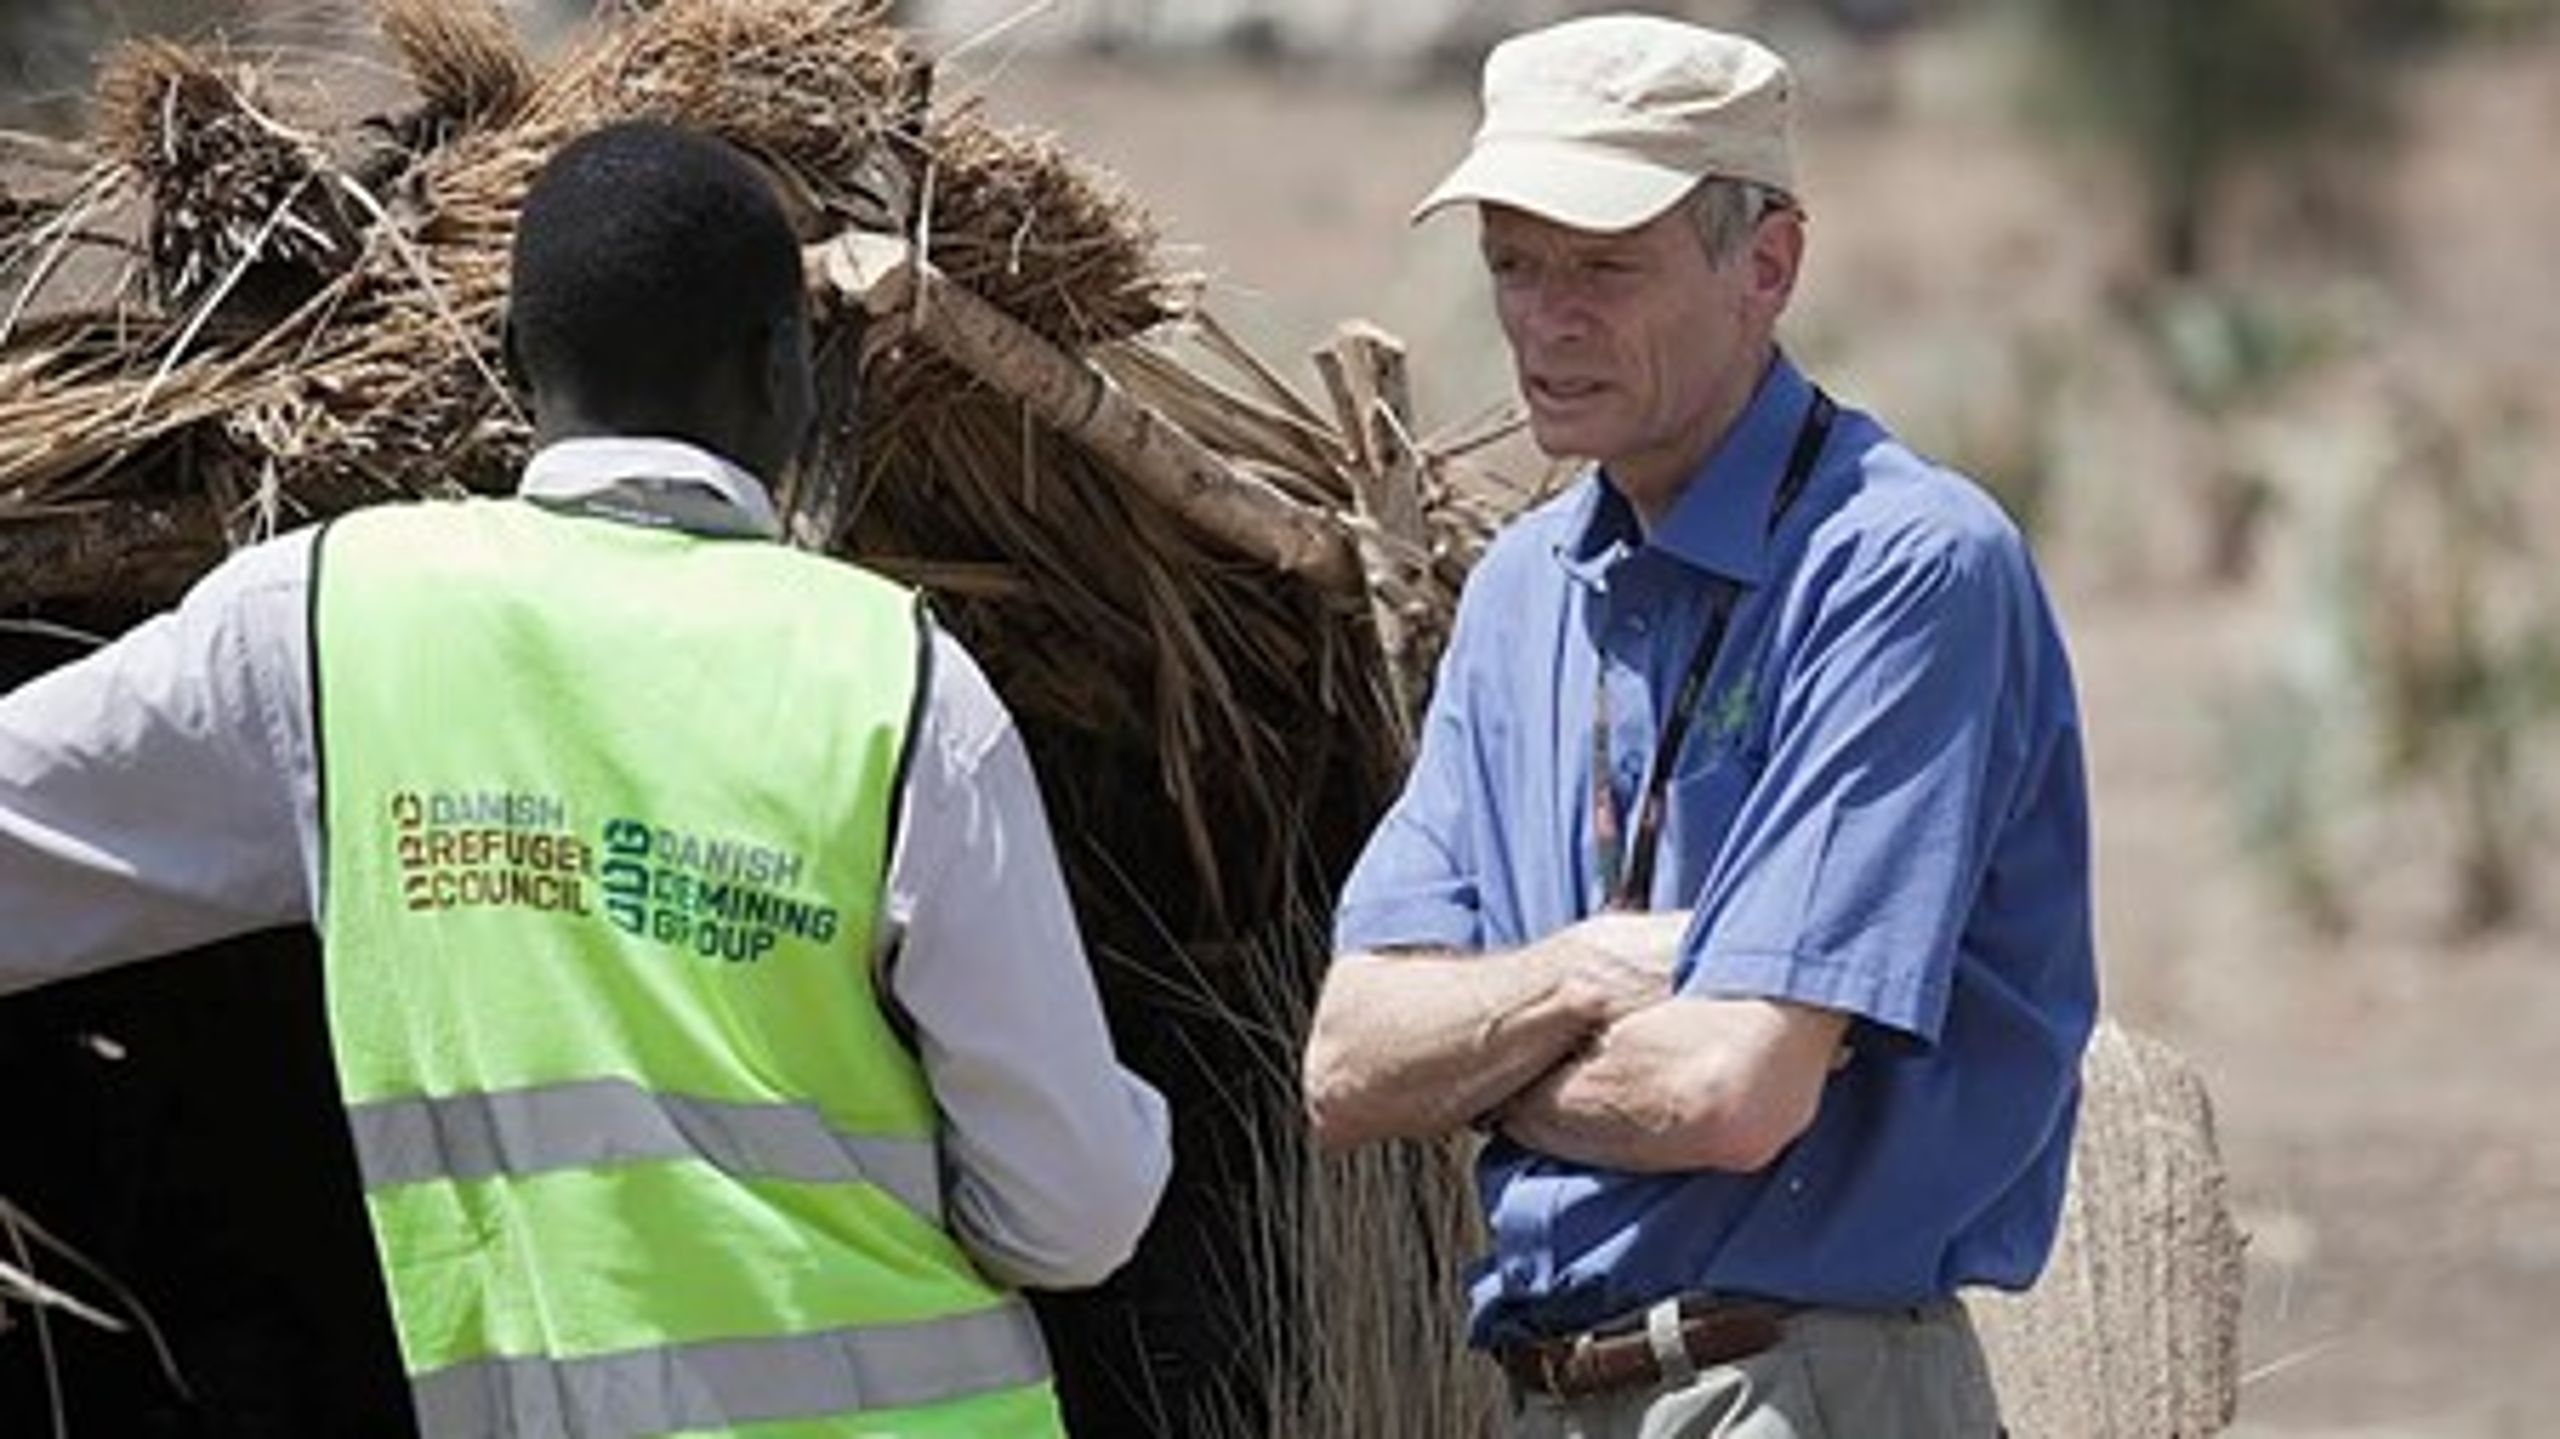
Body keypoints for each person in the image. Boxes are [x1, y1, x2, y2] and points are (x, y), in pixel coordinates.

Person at [0, 119, 1170, 1438]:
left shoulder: (328, 625)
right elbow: (1072, 1215)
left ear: (512, 363)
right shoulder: (892, 683)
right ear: (784, 368)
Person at [1302, 15, 2095, 1438]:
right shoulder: (1520, 594)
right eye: (1514, 265)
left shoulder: (1902, 568)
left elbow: (1731, 1095)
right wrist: (1585, 976)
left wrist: (1484, 1069)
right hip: (1547, 1395)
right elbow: (1351, 1063)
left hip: (1799, 1388)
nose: (1548, 318)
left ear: (1769, 266)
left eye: (1605, 265)